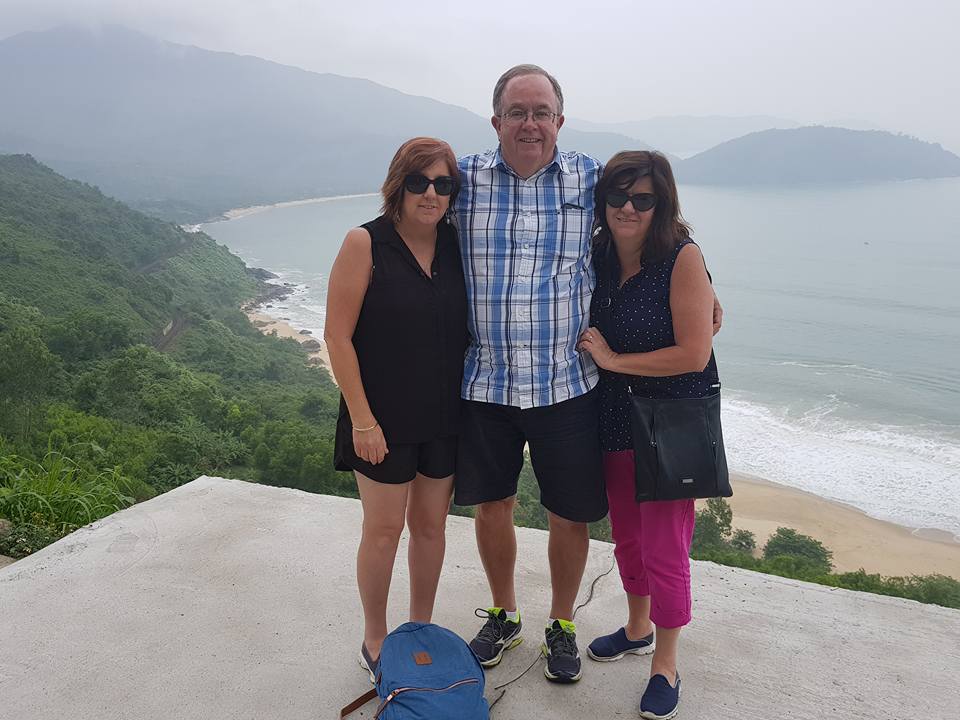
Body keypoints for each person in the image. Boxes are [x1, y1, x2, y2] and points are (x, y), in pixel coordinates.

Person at [452, 64, 607, 685]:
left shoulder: (591, 178)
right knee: (493, 506)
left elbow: (653, 222)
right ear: (496, 122)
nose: (530, 124)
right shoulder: (462, 179)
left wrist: (700, 278)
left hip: (565, 383)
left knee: (570, 513)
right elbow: (403, 223)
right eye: (517, 112)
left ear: (559, 121)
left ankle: (562, 622)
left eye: (541, 112)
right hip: (486, 382)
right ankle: (504, 613)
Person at [577, 150, 718, 720]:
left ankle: (666, 663)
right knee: (628, 538)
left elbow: (694, 353)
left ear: (662, 204)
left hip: (669, 425)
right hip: (614, 417)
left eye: (643, 198)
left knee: (665, 546)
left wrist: (614, 360)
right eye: (618, 196)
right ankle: (637, 628)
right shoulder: (598, 254)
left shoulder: (682, 257)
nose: (628, 208)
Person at [324, 137, 468, 682]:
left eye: (442, 184)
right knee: (384, 530)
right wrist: (363, 421)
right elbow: (338, 337)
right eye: (418, 182)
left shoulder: (456, 244)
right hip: (381, 419)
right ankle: (376, 638)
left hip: (444, 415)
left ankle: (420, 629)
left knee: (430, 528)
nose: (431, 194)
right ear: (398, 185)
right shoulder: (365, 242)